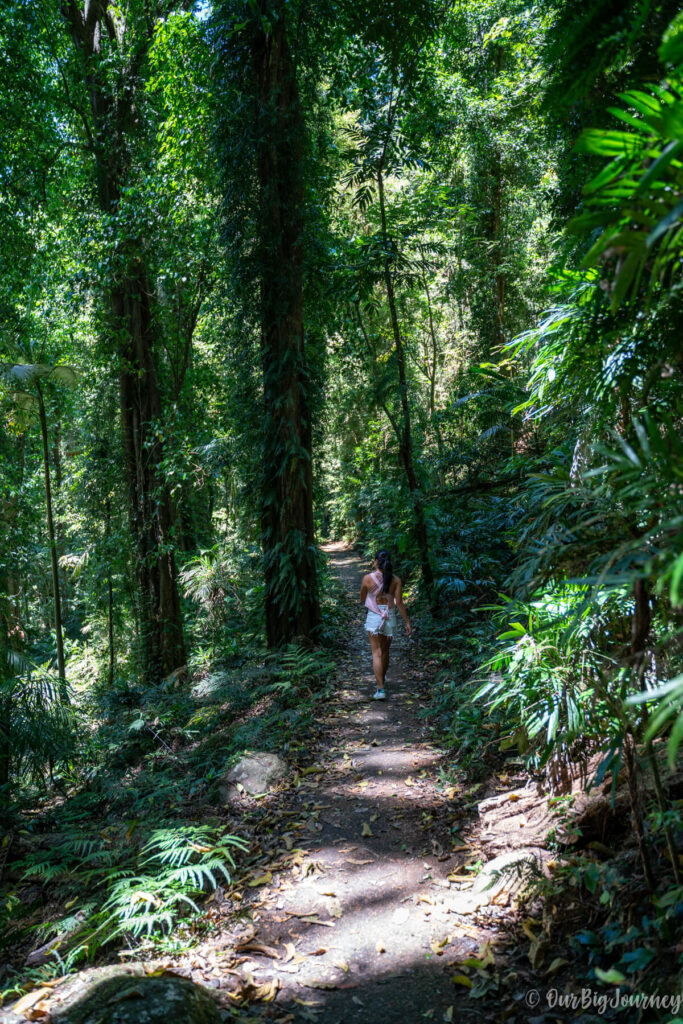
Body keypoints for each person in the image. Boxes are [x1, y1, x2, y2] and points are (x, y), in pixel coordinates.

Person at [360, 549, 412, 700]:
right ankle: (382, 678)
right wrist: (407, 622)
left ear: (376, 561)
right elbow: (399, 603)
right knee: (386, 651)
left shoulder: (367, 579)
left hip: (374, 616)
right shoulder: (396, 580)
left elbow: (363, 598)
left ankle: (380, 689)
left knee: (376, 653)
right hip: (389, 616)